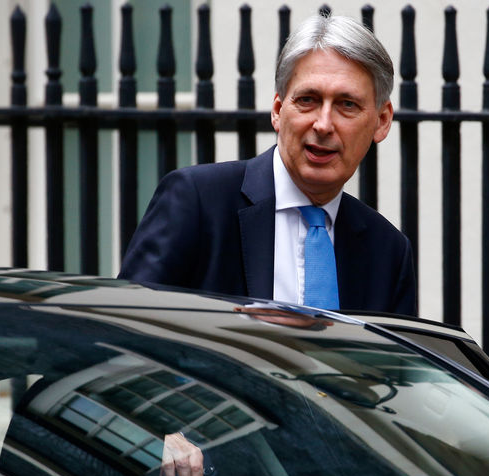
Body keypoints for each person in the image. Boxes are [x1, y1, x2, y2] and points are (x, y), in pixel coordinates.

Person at [119, 14, 417, 316]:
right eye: (308, 100)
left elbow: (396, 363)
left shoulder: (388, 252)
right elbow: (126, 329)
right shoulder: (198, 201)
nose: (324, 124)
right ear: (277, 110)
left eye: (347, 105)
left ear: (381, 121)